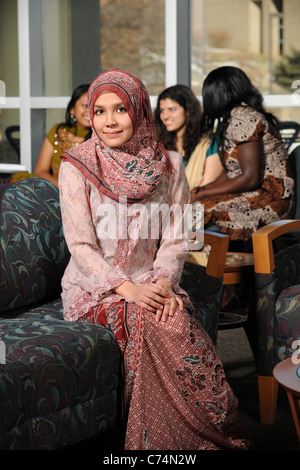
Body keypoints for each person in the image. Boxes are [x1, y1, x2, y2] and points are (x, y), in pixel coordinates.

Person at [58, 68, 249, 450]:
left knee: (172, 317)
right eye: (99, 111)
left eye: (120, 109)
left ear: (139, 110)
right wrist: (128, 289)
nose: (109, 121)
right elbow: (80, 247)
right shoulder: (76, 165)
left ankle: (209, 428)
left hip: (154, 283)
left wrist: (161, 282)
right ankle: (160, 443)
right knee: (150, 318)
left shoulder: (171, 166)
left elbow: (178, 239)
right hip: (94, 289)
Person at [190, 66, 295, 241]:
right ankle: (197, 264)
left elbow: (249, 178)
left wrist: (202, 194)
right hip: (253, 195)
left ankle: (203, 266)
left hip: (272, 200)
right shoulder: (233, 119)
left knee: (194, 213)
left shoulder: (244, 118)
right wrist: (202, 190)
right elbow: (230, 174)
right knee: (189, 208)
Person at [10, 84, 92, 187]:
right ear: (72, 109)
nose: (89, 111)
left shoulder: (101, 138)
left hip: (83, 195)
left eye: (94, 106)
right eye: (85, 105)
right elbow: (41, 171)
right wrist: (63, 189)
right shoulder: (58, 132)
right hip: (55, 189)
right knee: (21, 181)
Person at [154, 84, 223, 190]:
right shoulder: (161, 145)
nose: (165, 116)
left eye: (172, 109)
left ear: (187, 111)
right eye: (162, 111)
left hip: (196, 202)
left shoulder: (209, 144)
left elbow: (206, 186)